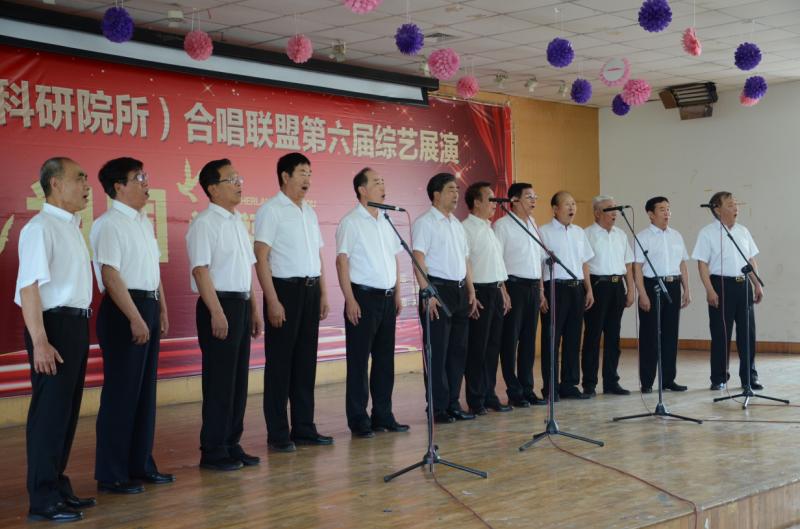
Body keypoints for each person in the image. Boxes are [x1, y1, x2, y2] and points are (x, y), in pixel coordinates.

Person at [16, 157, 94, 523]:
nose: (86, 186)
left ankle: (58, 486)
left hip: (75, 326)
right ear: (55, 184)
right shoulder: (40, 227)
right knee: (49, 414)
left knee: (66, 412)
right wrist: (40, 341)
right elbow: (28, 288)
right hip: (53, 327)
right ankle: (43, 498)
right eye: (79, 178)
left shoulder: (72, 226)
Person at [91, 158, 172, 493]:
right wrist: (136, 317)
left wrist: (161, 308)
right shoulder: (108, 224)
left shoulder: (143, 222)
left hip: (147, 305)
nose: (145, 183)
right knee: (121, 394)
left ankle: (140, 465)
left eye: (145, 175)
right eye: (138, 178)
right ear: (118, 187)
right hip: (124, 310)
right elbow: (110, 275)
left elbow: (153, 270)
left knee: (144, 394)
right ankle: (112, 473)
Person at [186, 158, 263, 470]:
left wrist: (254, 308)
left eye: (239, 178)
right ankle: (213, 449)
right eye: (231, 180)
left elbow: (245, 271)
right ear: (213, 189)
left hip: (240, 305)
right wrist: (216, 312)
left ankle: (232, 443)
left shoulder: (237, 221)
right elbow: (200, 270)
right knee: (219, 381)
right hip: (218, 306)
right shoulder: (204, 223)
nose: (239, 184)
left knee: (238, 381)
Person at [255, 152, 333, 452]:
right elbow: (261, 257)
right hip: (284, 292)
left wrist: (323, 293)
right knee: (280, 364)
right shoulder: (271, 210)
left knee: (305, 362)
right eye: (302, 173)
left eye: (310, 174)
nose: (307, 179)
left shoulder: (308, 212)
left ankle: (304, 427)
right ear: (285, 176)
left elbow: (318, 256)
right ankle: (278, 433)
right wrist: (272, 300)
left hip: (310, 291)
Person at [335, 168, 408, 438]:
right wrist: (350, 299)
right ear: (362, 190)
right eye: (376, 182)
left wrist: (398, 293)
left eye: (383, 181)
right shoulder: (351, 221)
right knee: (358, 362)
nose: (382, 186)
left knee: (385, 361)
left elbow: (394, 258)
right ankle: (359, 420)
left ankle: (383, 415)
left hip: (387, 298)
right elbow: (341, 261)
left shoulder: (386, 220)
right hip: (362, 298)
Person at [411, 172, 478, 423]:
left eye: (457, 189)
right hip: (437, 291)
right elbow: (418, 258)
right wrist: (426, 292)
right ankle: (437, 407)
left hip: (459, 291)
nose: (456, 194)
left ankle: (453, 404)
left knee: (457, 352)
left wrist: (471, 290)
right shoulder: (425, 222)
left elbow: (465, 260)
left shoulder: (457, 225)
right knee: (437, 352)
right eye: (451, 189)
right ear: (436, 194)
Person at [692, 191, 763, 391]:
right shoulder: (707, 233)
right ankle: (719, 377)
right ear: (717, 209)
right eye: (730, 205)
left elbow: (750, 259)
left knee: (747, 333)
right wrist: (709, 290)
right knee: (721, 333)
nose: (736, 208)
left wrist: (757, 284)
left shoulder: (743, 231)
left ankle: (749, 377)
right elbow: (702, 264)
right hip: (721, 285)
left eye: (736, 204)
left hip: (743, 285)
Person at [539, 191, 594, 400]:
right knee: (551, 339)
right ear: (555, 209)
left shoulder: (579, 232)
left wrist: (589, 289)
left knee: (573, 338)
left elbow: (584, 263)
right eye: (567, 204)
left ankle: (569, 385)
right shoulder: (543, 231)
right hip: (555, 288)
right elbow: (539, 264)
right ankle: (551, 387)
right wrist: (541, 293)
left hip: (577, 288)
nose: (572, 208)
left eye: (573, 204)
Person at [461, 182, 511, 415]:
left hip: (495, 290)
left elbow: (497, 264)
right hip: (479, 291)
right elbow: (466, 264)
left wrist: (503, 291)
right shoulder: (466, 228)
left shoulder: (490, 228)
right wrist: (471, 292)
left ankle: (490, 394)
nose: (494, 203)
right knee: (477, 348)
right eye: (490, 199)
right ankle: (476, 398)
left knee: (493, 348)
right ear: (476, 202)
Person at [493, 182, 544, 409]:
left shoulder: (533, 223)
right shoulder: (502, 226)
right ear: (513, 200)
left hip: (533, 287)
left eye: (535, 197)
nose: (533, 201)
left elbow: (538, 260)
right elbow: (498, 261)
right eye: (529, 197)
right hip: (513, 286)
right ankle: (513, 390)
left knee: (528, 341)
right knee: (510, 341)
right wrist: (503, 291)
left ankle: (528, 388)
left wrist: (541, 290)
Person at [634, 196, 691, 393]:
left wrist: (686, 289)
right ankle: (647, 382)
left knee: (670, 335)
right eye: (662, 209)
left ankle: (668, 379)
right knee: (650, 336)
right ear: (651, 214)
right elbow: (637, 268)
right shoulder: (643, 237)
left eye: (668, 209)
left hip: (673, 285)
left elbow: (682, 264)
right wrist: (642, 294)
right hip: (652, 287)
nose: (667, 213)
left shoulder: (676, 235)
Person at [581, 195, 635, 396]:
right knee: (593, 336)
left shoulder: (621, 234)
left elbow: (628, 264)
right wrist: (588, 290)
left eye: (615, 208)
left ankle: (611, 381)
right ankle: (589, 383)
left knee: (613, 337)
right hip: (597, 286)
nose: (614, 212)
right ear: (597, 213)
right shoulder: (587, 234)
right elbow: (584, 265)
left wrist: (631, 289)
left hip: (617, 286)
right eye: (609, 209)